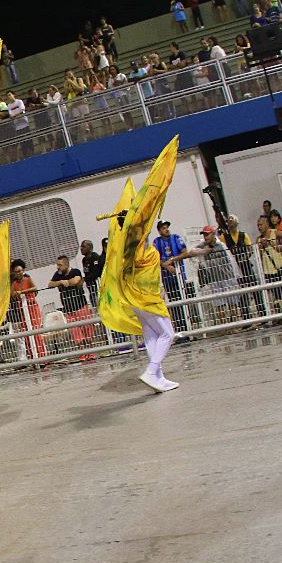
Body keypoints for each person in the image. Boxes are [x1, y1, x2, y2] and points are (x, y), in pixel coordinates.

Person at [98, 139, 183, 393]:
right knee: (167, 333)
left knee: (152, 334)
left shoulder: (125, 245)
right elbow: (138, 225)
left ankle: (157, 375)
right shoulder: (134, 245)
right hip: (145, 298)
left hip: (136, 298)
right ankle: (152, 370)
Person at [48, 255, 95, 357]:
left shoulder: (75, 271)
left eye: (60, 265)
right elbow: (50, 284)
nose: (58, 267)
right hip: (69, 309)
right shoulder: (58, 275)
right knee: (75, 332)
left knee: (87, 329)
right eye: (57, 265)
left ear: (66, 264)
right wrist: (60, 282)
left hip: (81, 305)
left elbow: (76, 280)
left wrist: (67, 282)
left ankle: (90, 352)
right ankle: (82, 353)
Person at [153, 219, 190, 332]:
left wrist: (173, 260)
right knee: (174, 304)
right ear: (159, 231)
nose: (166, 229)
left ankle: (188, 328)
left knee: (183, 300)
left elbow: (185, 252)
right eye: (163, 228)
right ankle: (180, 329)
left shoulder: (176, 238)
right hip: (167, 278)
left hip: (179, 275)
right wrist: (166, 265)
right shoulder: (157, 242)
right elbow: (154, 258)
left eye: (167, 227)